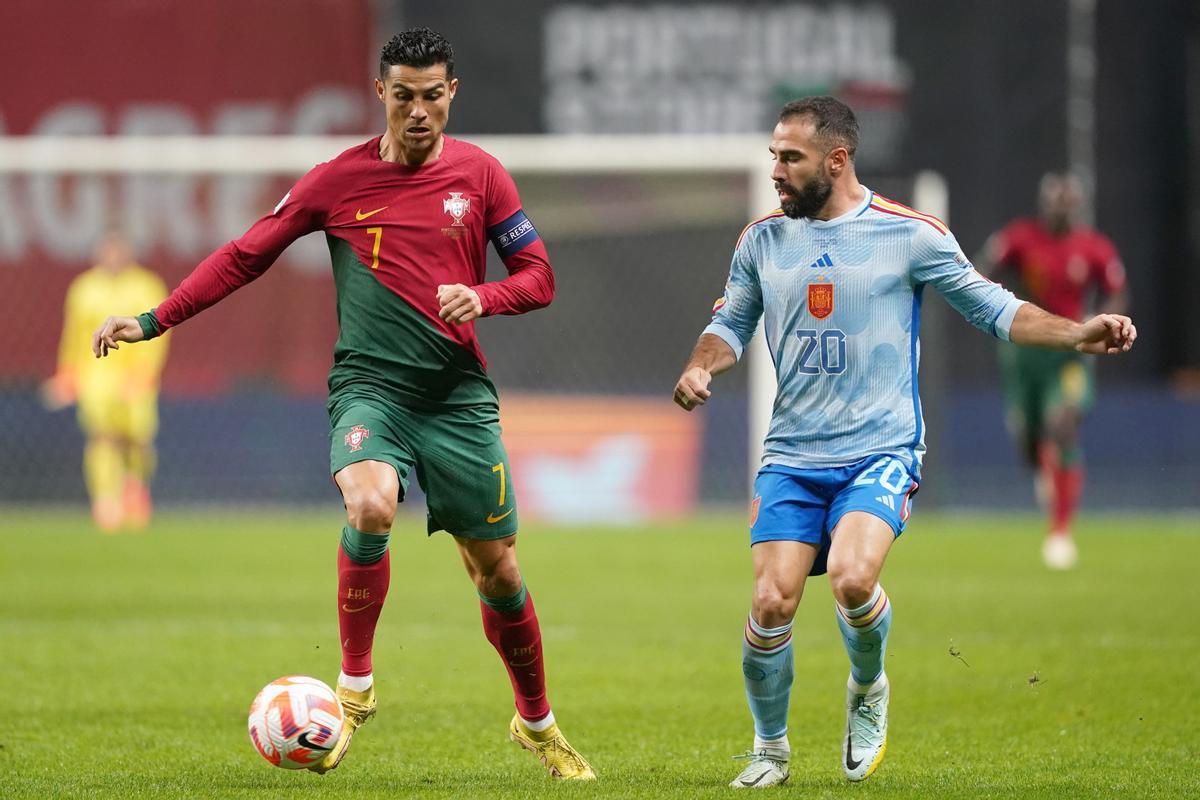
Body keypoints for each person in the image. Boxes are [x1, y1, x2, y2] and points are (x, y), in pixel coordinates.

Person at [91, 28, 594, 781]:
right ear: (380, 94)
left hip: (457, 397)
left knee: (498, 572)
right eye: (403, 96)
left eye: (432, 96)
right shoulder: (337, 180)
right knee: (369, 503)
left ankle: (537, 723)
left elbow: (540, 276)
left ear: (451, 93)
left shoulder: (483, 175)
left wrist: (483, 297)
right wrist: (155, 318)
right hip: (370, 389)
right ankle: (354, 688)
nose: (418, 111)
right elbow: (245, 254)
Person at [672, 96, 1135, 789]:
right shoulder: (761, 239)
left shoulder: (911, 235)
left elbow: (996, 308)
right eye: (773, 154)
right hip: (793, 456)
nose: (775, 169)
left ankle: (868, 687)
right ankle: (770, 750)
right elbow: (731, 324)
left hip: (879, 449)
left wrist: (1075, 332)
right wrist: (700, 365)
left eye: (789, 158)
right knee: (771, 602)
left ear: (837, 160)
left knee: (856, 579)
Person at [978, 173, 1128, 569]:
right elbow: (981, 269)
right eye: (1054, 201)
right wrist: (1003, 307)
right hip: (1025, 351)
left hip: (1070, 353)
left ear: (1076, 206)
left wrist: (1106, 316)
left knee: (1062, 425)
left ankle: (1060, 532)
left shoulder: (1094, 248)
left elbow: (1116, 287)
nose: (1060, 208)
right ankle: (1042, 465)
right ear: (1043, 203)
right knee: (1028, 438)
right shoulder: (1020, 238)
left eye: (1067, 201)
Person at [44, 230, 168, 531]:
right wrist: (67, 373)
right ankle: (105, 501)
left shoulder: (148, 286)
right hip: (97, 375)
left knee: (137, 438)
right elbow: (74, 335)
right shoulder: (84, 288)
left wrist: (144, 373)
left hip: (134, 375)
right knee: (102, 437)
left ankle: (135, 487)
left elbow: (160, 333)